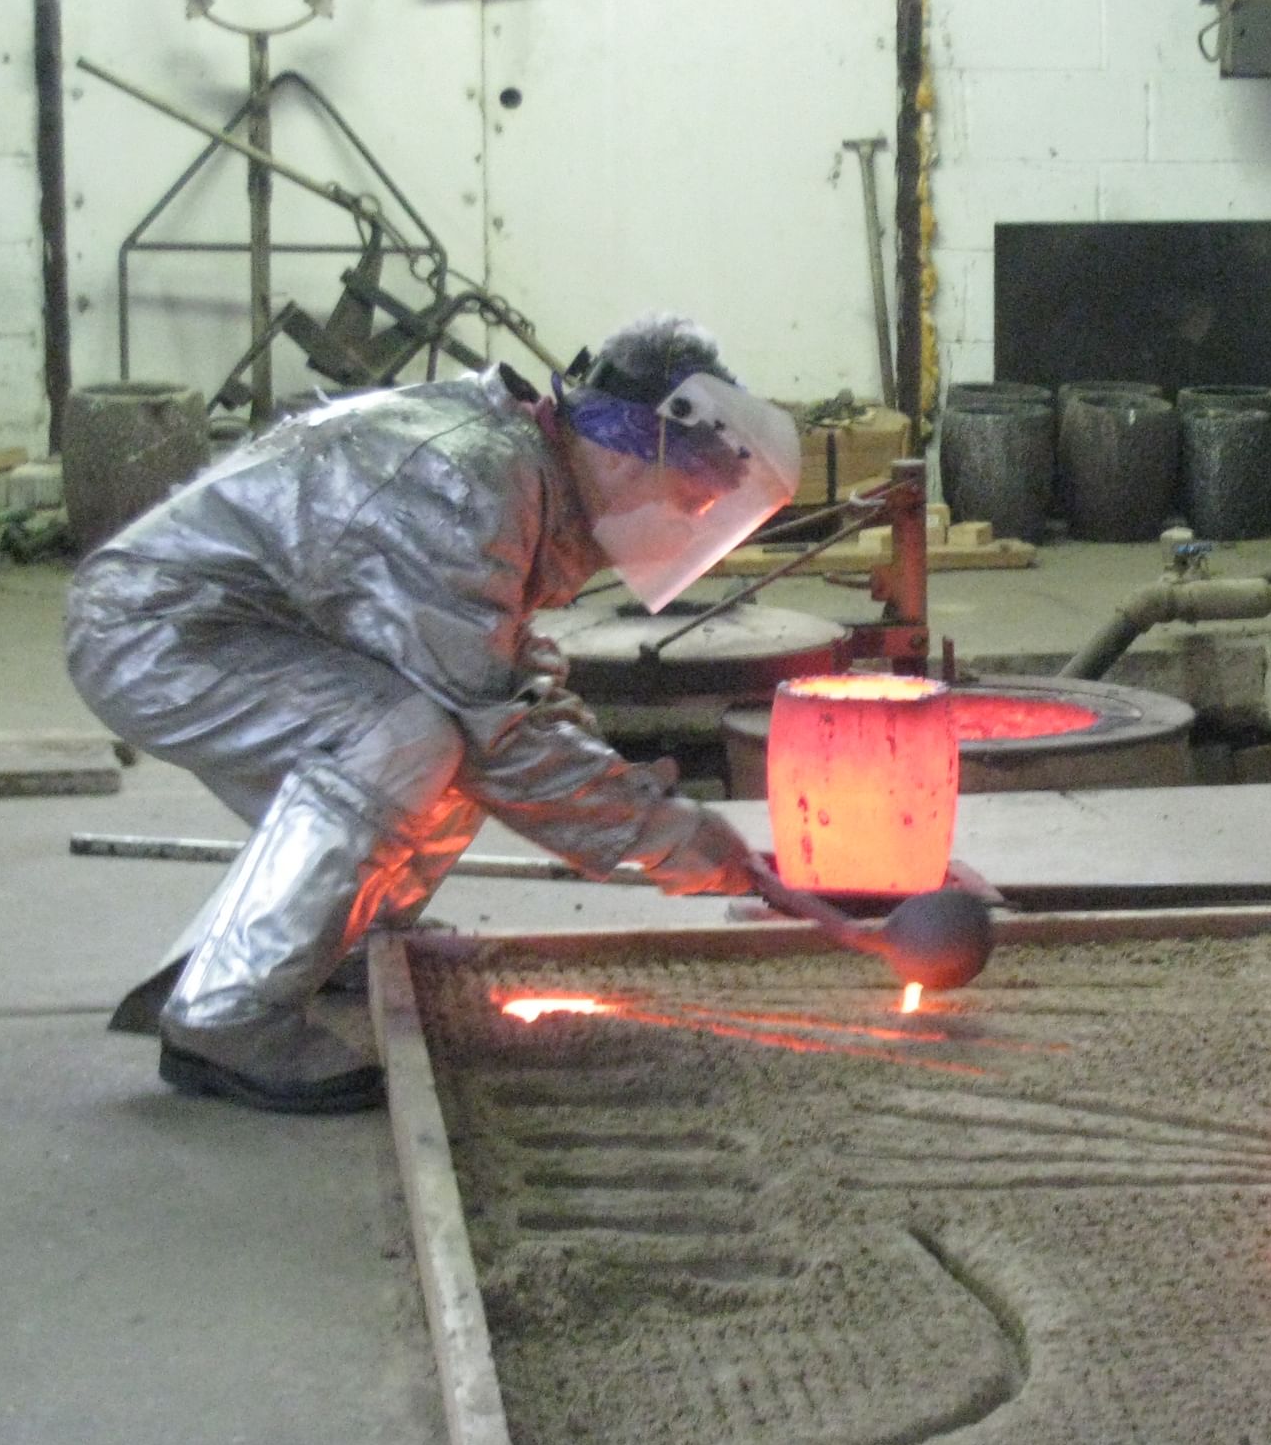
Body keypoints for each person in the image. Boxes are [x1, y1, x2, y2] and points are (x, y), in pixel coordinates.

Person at [66, 314, 799, 1114]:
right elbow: (494, 729)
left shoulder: (520, 468)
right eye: (690, 503)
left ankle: (336, 935)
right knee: (409, 738)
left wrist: (636, 799)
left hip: (241, 623)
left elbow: (495, 676)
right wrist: (670, 836)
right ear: (635, 449)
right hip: (160, 630)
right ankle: (226, 1016)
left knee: (444, 739)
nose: (690, 524)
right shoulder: (470, 485)